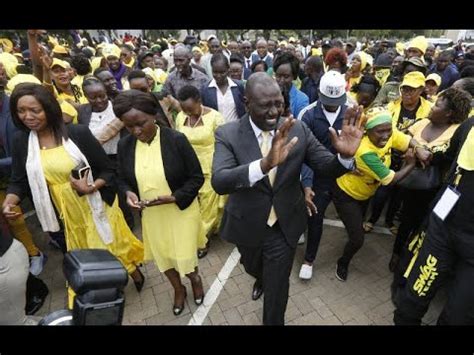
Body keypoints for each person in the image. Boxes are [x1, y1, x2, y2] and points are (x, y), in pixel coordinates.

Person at [211, 72, 367, 325]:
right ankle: (260, 277)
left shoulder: (298, 128)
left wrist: (344, 158)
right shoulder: (227, 134)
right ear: (247, 102)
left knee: (277, 286)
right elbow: (220, 182)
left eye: (278, 103)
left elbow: (326, 167)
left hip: (284, 225)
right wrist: (264, 164)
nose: (274, 111)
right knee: (253, 268)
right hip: (248, 223)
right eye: (265, 105)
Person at [3, 84, 145, 306]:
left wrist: (90, 187)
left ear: (48, 109)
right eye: (21, 111)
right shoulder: (22, 141)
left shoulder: (76, 133)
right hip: (63, 215)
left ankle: (133, 272)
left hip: (96, 203)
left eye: (35, 110)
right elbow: (19, 180)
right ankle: (108, 292)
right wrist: (11, 201)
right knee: (87, 256)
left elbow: (108, 170)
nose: (28, 117)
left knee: (111, 247)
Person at [114, 90, 206, 316]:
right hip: (152, 215)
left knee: (184, 254)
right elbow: (122, 178)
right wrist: (128, 193)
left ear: (154, 114)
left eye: (141, 123)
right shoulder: (125, 146)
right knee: (163, 257)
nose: (136, 131)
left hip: (180, 210)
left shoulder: (176, 140)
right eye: (129, 126)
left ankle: (194, 279)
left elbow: (196, 178)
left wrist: (175, 197)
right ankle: (178, 288)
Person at [393, 100, 474, 325]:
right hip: (444, 227)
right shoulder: (469, 126)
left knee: (458, 316)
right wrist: (426, 155)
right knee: (411, 302)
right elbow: (448, 157)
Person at [333, 107, 431, 281]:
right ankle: (342, 262)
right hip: (346, 195)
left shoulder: (388, 133)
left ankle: (352, 233)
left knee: (356, 227)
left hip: (364, 195)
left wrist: (419, 149)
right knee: (357, 239)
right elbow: (391, 179)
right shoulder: (365, 152)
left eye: (388, 130)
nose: (386, 135)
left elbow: (407, 140)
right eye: (380, 131)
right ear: (367, 131)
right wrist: (410, 163)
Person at [388, 87, 470, 273]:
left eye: (438, 105)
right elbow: (402, 140)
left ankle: (413, 259)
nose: (432, 106)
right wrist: (417, 150)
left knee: (424, 226)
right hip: (409, 181)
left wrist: (420, 152)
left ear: (449, 113)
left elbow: (442, 157)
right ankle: (397, 253)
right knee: (406, 222)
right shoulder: (422, 122)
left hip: (433, 189)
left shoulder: (456, 132)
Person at [298, 71, 350, 280]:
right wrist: (307, 184)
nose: (332, 105)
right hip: (317, 177)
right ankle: (309, 260)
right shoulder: (307, 115)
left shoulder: (351, 113)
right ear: (319, 94)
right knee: (315, 217)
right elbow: (304, 156)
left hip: (343, 177)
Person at [175, 85, 226, 258]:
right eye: (184, 110)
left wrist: (221, 167)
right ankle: (204, 229)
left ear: (199, 101)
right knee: (195, 204)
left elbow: (224, 144)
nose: (187, 113)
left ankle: (202, 240)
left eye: (190, 109)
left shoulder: (215, 118)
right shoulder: (181, 117)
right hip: (188, 168)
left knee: (208, 206)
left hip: (211, 167)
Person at [201, 53, 246, 123]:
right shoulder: (205, 89)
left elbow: (243, 110)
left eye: (222, 72)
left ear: (228, 69)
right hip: (215, 131)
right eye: (215, 72)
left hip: (236, 130)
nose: (218, 76)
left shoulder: (238, 86)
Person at [273, 52, 309, 118]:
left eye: (286, 76)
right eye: (278, 76)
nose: (281, 80)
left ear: (294, 76)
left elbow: (300, 125)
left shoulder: (302, 99)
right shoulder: (268, 95)